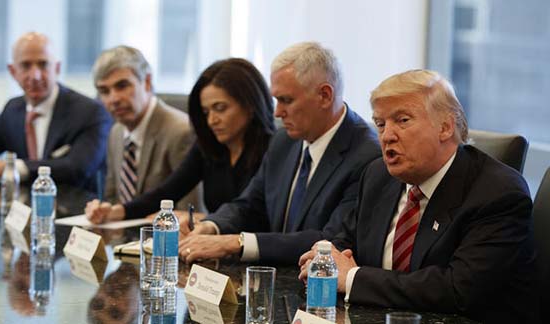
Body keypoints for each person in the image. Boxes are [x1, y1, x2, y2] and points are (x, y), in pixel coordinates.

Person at [298, 69, 539, 323]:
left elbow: (457, 290)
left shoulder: (498, 193)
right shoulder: (377, 175)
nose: (387, 136)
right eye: (380, 124)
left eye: (402, 120)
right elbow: (342, 244)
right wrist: (324, 258)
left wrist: (351, 277)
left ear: (445, 127)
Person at [179, 42, 380, 264]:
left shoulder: (367, 157)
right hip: (274, 281)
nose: (277, 112)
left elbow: (329, 241)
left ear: (324, 95)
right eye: (276, 100)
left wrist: (236, 242)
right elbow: (249, 203)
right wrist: (211, 226)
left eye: (286, 100)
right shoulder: (283, 141)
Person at [85, 58, 275, 225]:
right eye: (206, 112)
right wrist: (115, 211)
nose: (212, 120)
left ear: (250, 105)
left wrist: (206, 220)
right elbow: (166, 192)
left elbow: (258, 216)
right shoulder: (208, 146)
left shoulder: (275, 150)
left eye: (220, 108)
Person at [0, 32, 111, 190]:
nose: (35, 75)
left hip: (76, 211)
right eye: (26, 66)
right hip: (24, 209)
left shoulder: (90, 111)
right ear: (13, 72)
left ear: (57, 68)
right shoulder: (13, 109)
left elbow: (77, 168)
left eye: (43, 64)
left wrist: (15, 167)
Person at [85, 45, 197, 212]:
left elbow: (190, 214)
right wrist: (104, 211)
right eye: (104, 91)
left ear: (147, 82)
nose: (113, 99)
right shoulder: (116, 132)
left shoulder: (180, 131)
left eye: (122, 86)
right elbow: (113, 199)